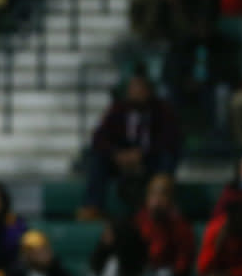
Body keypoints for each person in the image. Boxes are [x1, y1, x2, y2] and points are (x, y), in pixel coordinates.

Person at [77, 73, 180, 219]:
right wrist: (117, 153)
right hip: (120, 158)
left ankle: (162, 206)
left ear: (149, 91)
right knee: (98, 159)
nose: (137, 94)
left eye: (141, 90)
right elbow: (99, 138)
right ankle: (92, 206)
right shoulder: (118, 109)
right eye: (133, 90)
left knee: (167, 158)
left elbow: (169, 139)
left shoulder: (162, 111)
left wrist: (142, 154)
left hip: (149, 158)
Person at [134, 174, 195, 276]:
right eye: (153, 194)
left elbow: (183, 263)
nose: (157, 200)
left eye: (163, 194)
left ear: (171, 199)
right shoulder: (138, 221)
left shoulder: (180, 225)